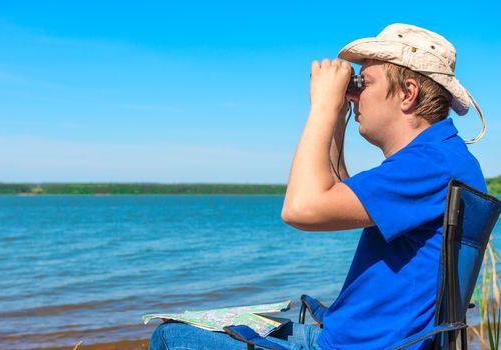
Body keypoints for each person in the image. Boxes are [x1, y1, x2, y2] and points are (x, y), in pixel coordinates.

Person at [149, 23, 486, 350]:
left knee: (170, 337)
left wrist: (322, 106)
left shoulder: (430, 163)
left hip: (350, 346)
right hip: (351, 338)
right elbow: (337, 193)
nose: (354, 93)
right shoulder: (442, 157)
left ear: (408, 93)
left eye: (363, 83)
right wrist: (337, 117)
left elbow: (301, 209)